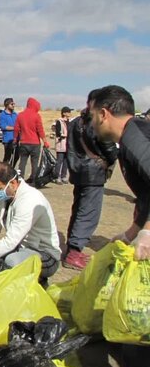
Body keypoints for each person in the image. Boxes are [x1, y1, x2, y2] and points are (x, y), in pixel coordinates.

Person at [88, 85, 150, 367]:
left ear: (104, 113)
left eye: (91, 116)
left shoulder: (135, 138)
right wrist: (133, 230)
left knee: (141, 314)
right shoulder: (135, 136)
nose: (90, 124)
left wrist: (148, 233)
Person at [63, 102, 118, 271]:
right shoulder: (98, 124)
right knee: (88, 213)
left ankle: (71, 249)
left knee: (79, 209)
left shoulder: (74, 123)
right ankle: (74, 252)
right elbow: (110, 150)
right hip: (93, 174)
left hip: (78, 172)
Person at [13, 97, 49, 182]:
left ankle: (20, 178)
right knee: (34, 163)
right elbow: (40, 130)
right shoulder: (37, 116)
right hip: (35, 143)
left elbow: (16, 129)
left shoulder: (20, 115)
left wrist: (15, 140)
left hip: (23, 143)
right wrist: (45, 142)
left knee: (22, 162)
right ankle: (33, 179)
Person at [53, 106, 73, 184]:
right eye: (68, 112)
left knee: (66, 162)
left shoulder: (70, 122)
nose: (69, 113)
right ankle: (57, 177)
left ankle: (63, 176)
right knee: (59, 161)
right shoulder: (59, 121)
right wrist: (66, 135)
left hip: (68, 145)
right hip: (61, 145)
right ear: (64, 113)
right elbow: (58, 133)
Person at [0, 97, 18, 165]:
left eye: (14, 104)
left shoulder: (15, 114)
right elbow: (3, 126)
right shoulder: (3, 115)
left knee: (16, 156)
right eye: (12, 104)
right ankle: (3, 171)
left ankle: (11, 170)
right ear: (7, 105)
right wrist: (15, 128)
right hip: (8, 140)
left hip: (16, 139)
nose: (13, 105)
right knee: (7, 157)